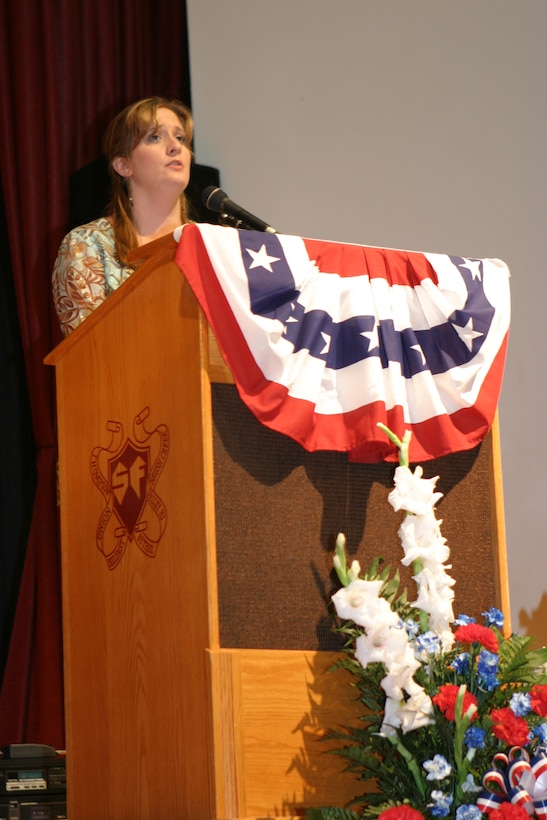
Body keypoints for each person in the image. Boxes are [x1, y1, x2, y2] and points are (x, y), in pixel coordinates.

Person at [52, 96, 194, 337]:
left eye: (180, 137)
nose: (175, 146)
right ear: (123, 166)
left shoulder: (212, 246)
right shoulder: (87, 246)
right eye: (155, 137)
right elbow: (88, 352)